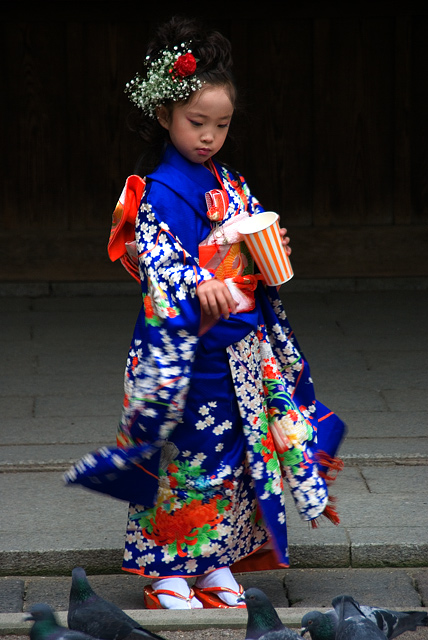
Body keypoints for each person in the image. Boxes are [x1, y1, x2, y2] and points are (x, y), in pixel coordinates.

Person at [65, 15, 346, 611]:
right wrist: (200, 285)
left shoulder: (229, 181)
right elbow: (161, 264)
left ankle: (215, 562)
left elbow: (250, 235)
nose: (209, 136)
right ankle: (168, 572)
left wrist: (273, 249)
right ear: (165, 115)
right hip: (187, 350)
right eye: (197, 122)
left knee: (238, 458)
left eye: (220, 124)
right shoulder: (157, 189)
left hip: (238, 350)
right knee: (182, 459)